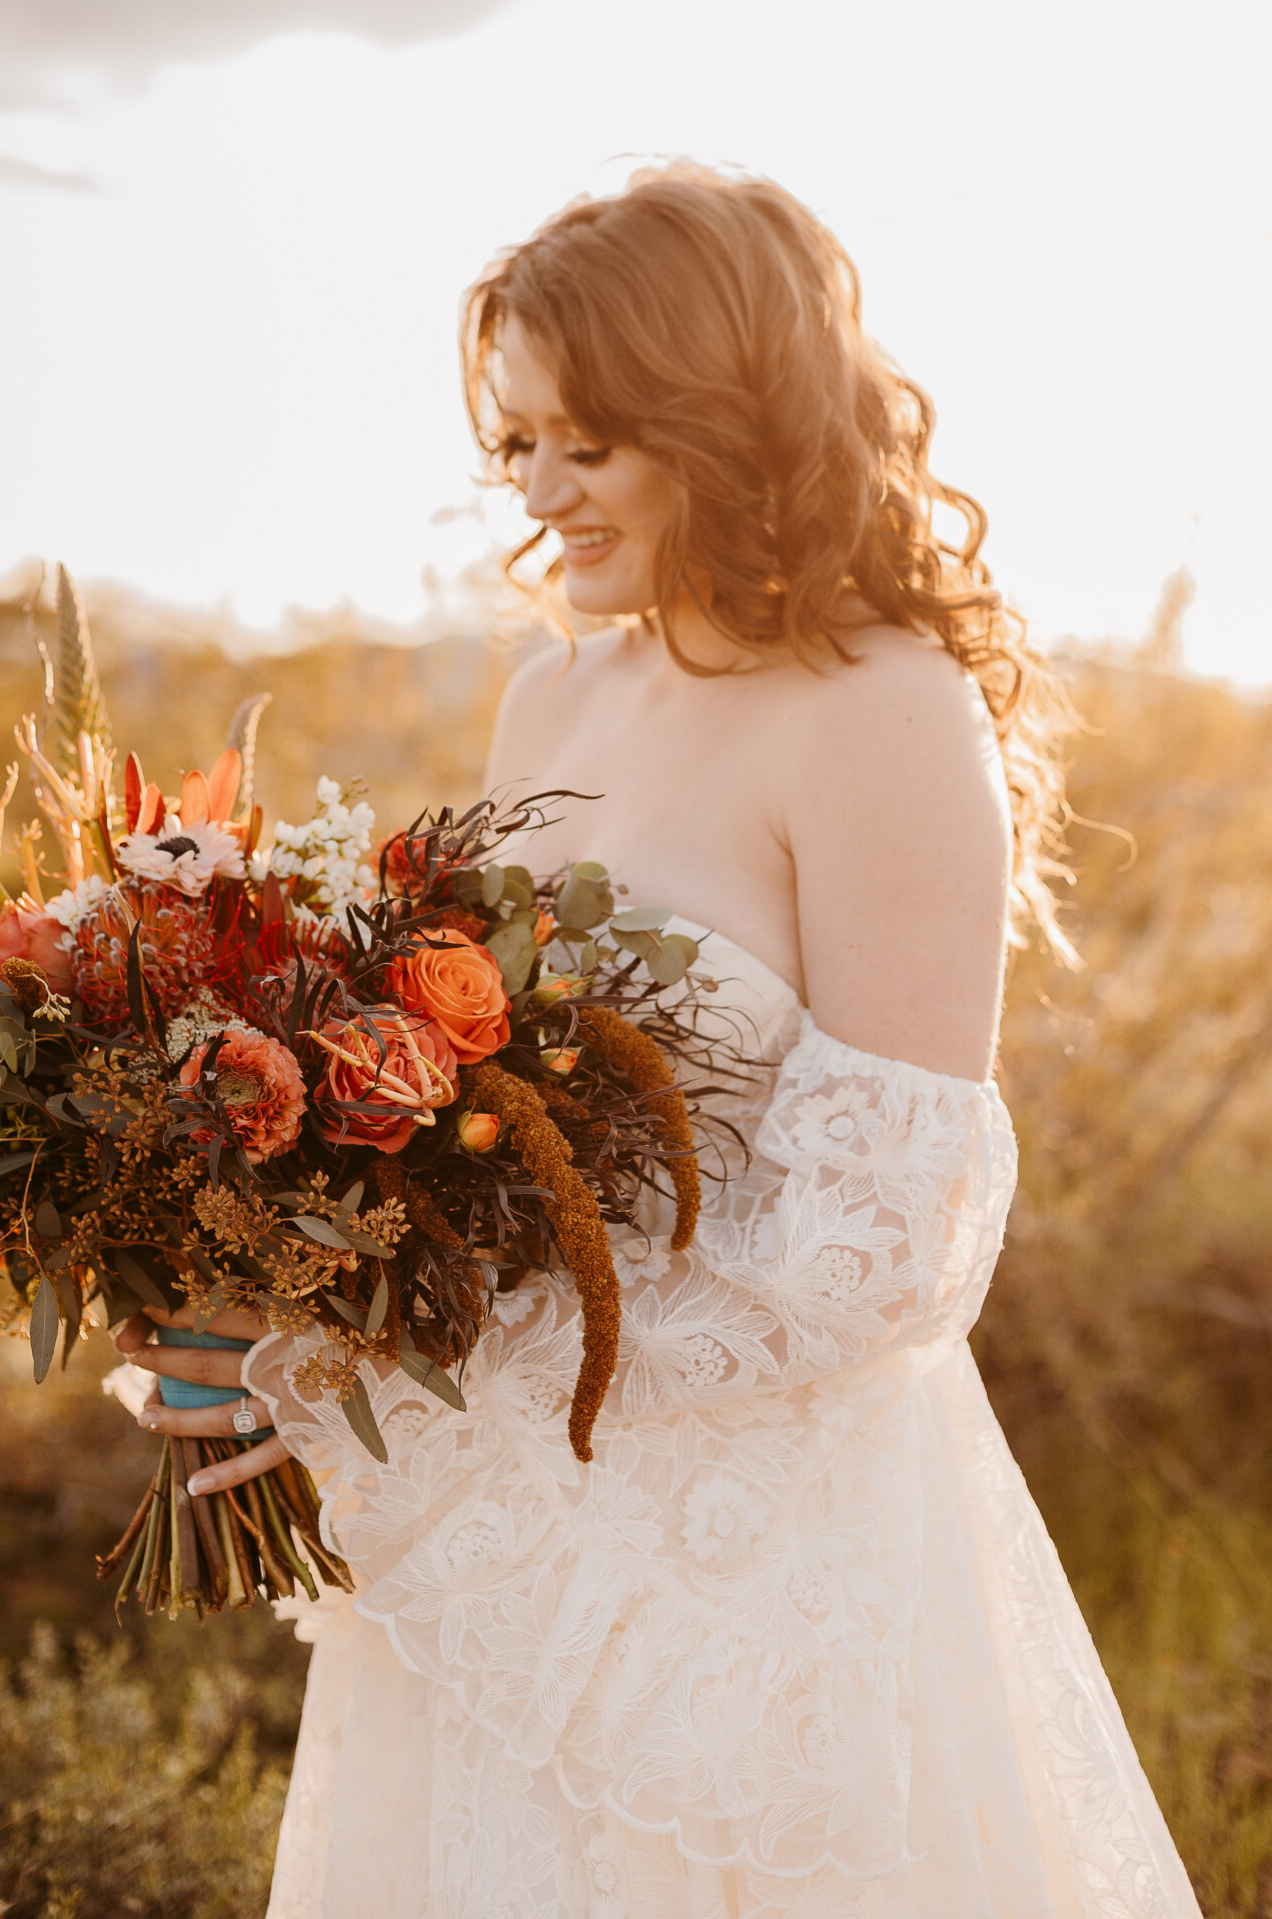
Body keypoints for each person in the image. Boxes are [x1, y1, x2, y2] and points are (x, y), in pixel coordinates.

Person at [116, 165, 1201, 1916]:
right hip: (508, 1532)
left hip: (760, 1553)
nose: (541, 497)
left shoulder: (882, 715)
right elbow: (471, 1119)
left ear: (728, 418)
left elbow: (881, 1249)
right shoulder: (551, 694)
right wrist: (291, 1274)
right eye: (517, 448)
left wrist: (399, 1386)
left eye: (588, 445)